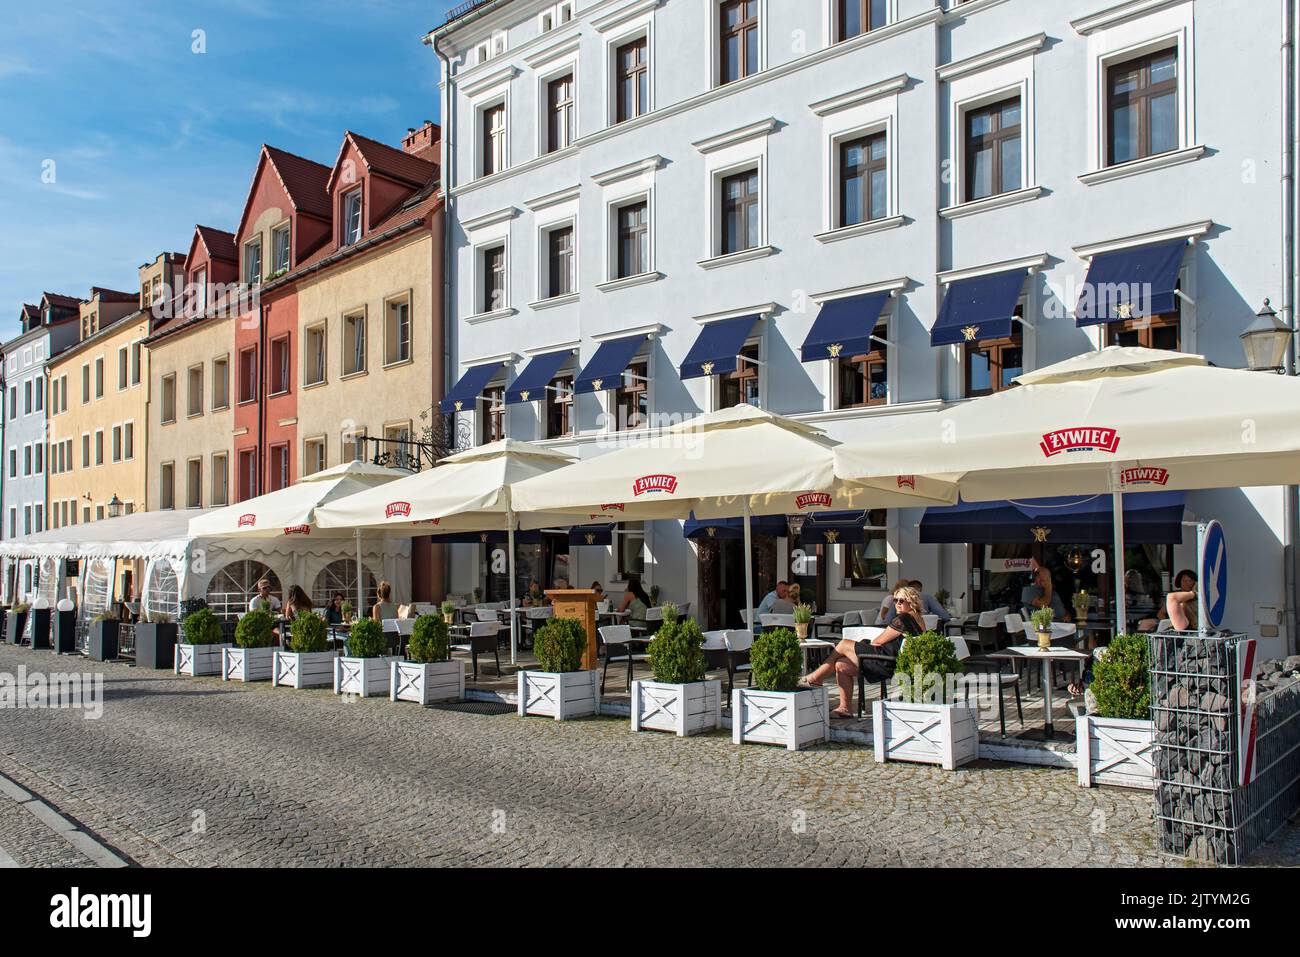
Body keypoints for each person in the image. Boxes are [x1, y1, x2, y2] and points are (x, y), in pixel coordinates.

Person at [804, 584, 927, 719]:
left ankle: (815, 678)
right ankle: (844, 708)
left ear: (911, 602)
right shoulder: (918, 618)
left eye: (901, 601)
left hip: (886, 661)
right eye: (895, 600)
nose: (897, 604)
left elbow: (878, 642)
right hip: (891, 661)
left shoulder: (902, 619)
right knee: (841, 665)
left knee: (844, 644)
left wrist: (869, 643)